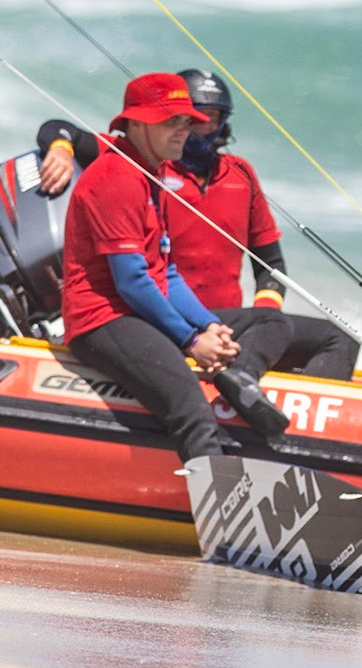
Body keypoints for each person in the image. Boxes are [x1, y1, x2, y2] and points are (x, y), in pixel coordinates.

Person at [38, 70, 360, 382]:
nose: (199, 128)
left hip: (224, 325)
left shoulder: (241, 175)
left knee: (341, 339)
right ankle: (238, 382)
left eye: (212, 119)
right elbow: (59, 128)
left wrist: (264, 323)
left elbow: (271, 266)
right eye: (190, 118)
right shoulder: (142, 165)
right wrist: (62, 151)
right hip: (162, 318)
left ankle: (294, 418)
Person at [59, 72, 293, 457]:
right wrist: (191, 340)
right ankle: (219, 513)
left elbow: (165, 273)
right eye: (171, 121)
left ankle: (239, 384)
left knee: (270, 320)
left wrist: (210, 324)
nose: (184, 131)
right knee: (193, 411)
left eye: (187, 122)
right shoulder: (117, 175)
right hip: (103, 319)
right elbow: (132, 282)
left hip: (139, 308)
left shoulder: (154, 173)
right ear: (135, 122)